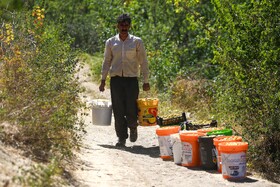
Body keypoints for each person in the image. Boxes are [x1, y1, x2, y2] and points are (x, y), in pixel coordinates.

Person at [99, 13, 150, 147]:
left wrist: (146, 80)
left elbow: (143, 62)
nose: (124, 28)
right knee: (118, 109)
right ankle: (121, 138)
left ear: (130, 26)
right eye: (122, 25)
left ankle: (133, 127)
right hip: (116, 80)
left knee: (131, 108)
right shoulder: (111, 42)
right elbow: (106, 61)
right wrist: (103, 80)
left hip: (131, 80)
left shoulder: (136, 42)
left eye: (126, 25)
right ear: (117, 26)